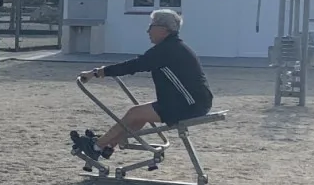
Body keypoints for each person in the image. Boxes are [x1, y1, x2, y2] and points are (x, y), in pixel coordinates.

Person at [72, 9, 212, 161]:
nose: (148, 30)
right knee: (139, 116)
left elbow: (133, 66)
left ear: (163, 29)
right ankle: (107, 145)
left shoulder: (166, 50)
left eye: (151, 26)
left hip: (188, 104)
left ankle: (95, 147)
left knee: (135, 113)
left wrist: (97, 72)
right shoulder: (174, 47)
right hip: (192, 101)